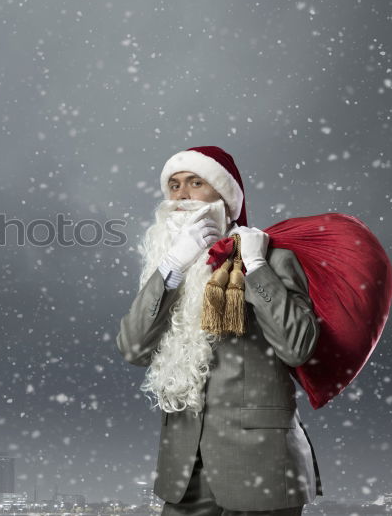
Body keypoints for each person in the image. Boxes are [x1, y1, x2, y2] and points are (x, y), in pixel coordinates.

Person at [116, 146, 323, 516]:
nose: (181, 195)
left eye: (197, 183)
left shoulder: (274, 258)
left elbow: (297, 347)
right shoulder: (167, 269)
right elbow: (133, 348)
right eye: (175, 185)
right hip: (184, 472)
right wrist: (173, 265)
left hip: (262, 466)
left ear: (226, 198)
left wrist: (257, 266)